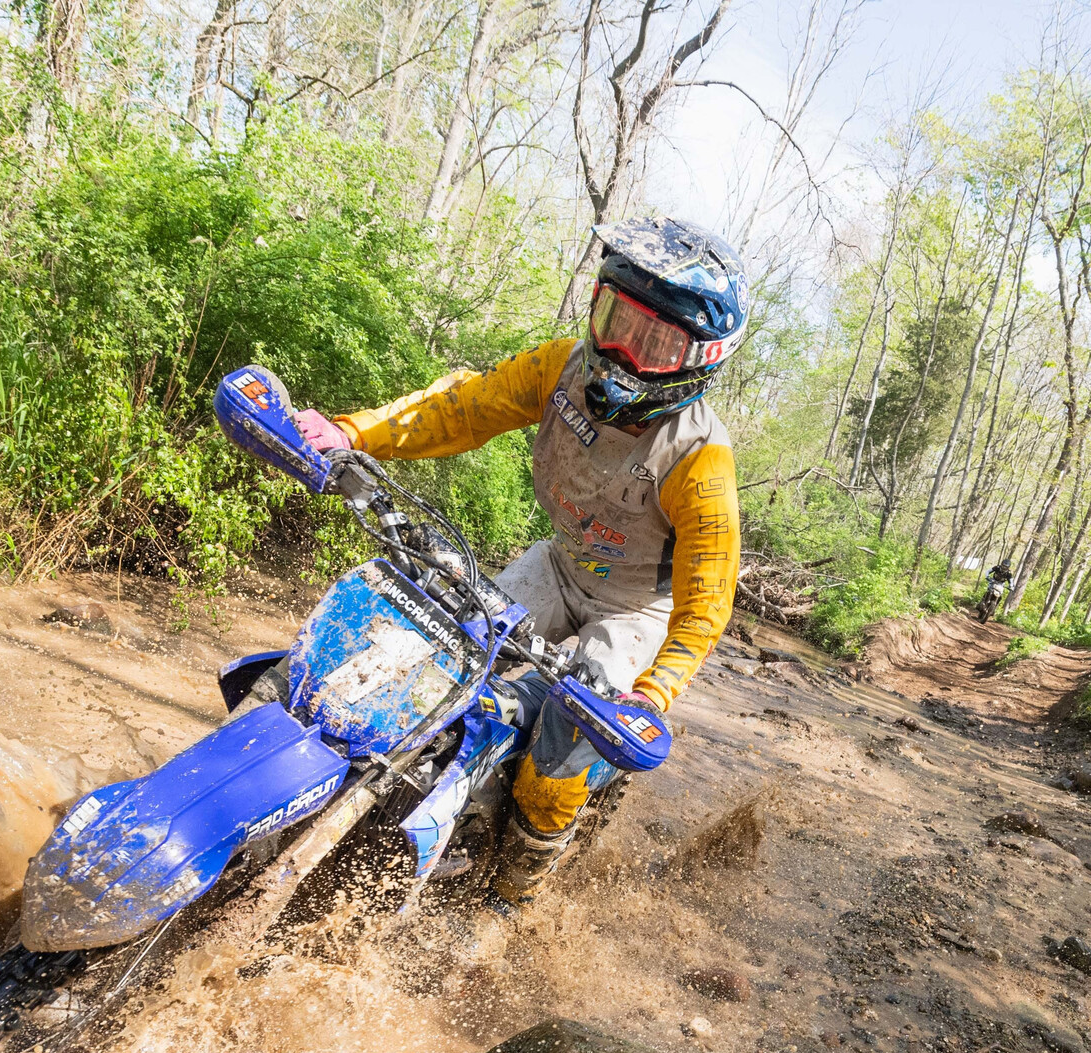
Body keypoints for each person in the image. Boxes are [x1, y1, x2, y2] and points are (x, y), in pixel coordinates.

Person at [292, 217, 749, 909]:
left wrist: (651, 696)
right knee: (440, 645)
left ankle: (512, 895)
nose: (622, 352)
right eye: (616, 321)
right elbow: (461, 407)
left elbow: (706, 602)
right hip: (559, 566)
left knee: (560, 753)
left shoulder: (699, 458)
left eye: (653, 342)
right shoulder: (559, 370)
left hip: (634, 614)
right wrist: (349, 433)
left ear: (699, 359)